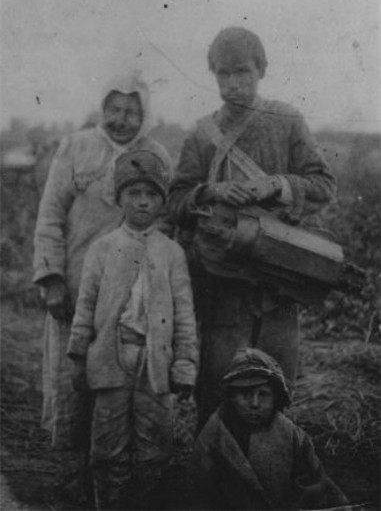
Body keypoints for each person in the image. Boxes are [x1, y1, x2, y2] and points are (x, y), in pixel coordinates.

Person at [169, 27, 337, 428]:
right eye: (223, 74)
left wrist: (277, 184)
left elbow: (324, 185)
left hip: (279, 283)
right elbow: (175, 200)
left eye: (242, 72)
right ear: (213, 75)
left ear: (261, 70)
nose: (233, 83)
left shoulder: (287, 121)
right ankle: (216, 481)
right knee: (218, 393)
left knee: (275, 395)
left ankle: (270, 479)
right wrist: (211, 192)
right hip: (222, 288)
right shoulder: (201, 134)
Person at [33, 72, 172, 500]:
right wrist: (52, 277)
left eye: (132, 111)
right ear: (102, 107)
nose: (121, 119)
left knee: (124, 384)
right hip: (76, 291)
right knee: (75, 379)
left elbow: (166, 223)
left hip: (134, 299)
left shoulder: (155, 154)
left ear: (144, 114)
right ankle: (74, 479)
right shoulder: (76, 147)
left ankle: (121, 483)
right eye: (113, 108)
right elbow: (51, 215)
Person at [66, 149, 198, 510]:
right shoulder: (102, 250)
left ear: (162, 201)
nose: (143, 202)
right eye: (134, 194)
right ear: (119, 197)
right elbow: (85, 308)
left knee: (154, 451)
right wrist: (78, 355)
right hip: (110, 361)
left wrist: (184, 365)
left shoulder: (171, 253)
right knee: (108, 451)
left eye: (151, 195)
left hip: (155, 367)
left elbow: (184, 316)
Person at [191, 347, 348, 510]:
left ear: (276, 399)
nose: (254, 403)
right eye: (245, 394)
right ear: (231, 397)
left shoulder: (292, 436)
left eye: (264, 395)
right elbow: (200, 495)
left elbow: (315, 487)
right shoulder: (212, 437)